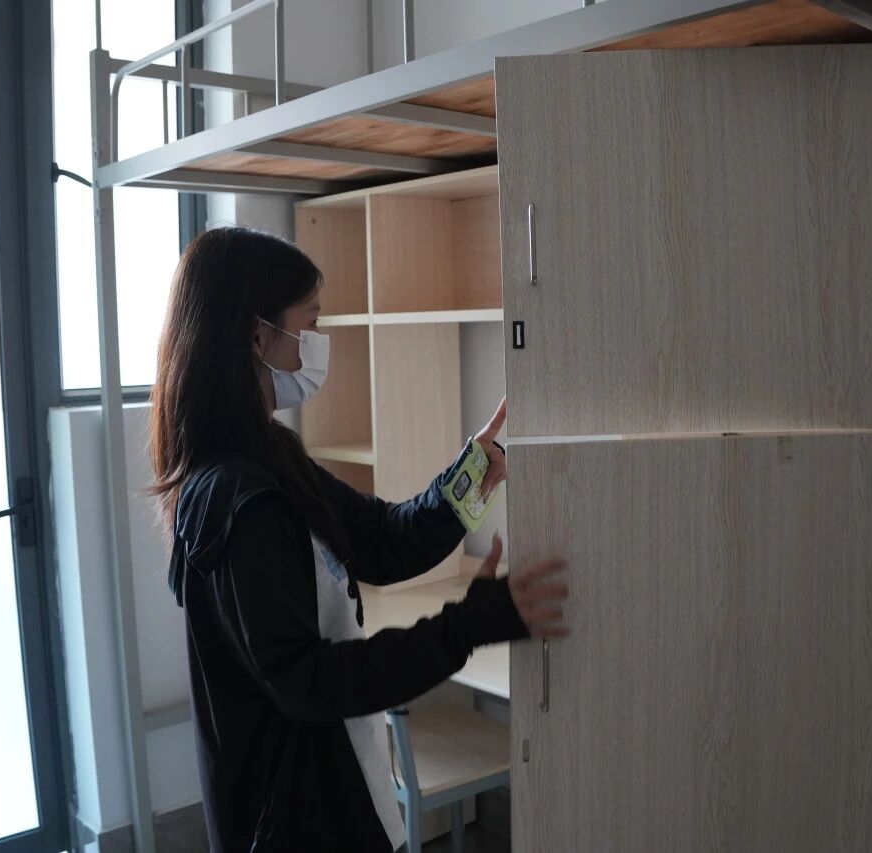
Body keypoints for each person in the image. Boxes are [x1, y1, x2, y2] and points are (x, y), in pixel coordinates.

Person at [147, 226, 569, 853]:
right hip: (299, 825)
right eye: (309, 324)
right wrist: (466, 626)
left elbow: (379, 539)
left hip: (342, 792)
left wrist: (472, 475)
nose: (318, 343)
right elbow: (311, 681)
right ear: (258, 336)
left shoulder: (269, 456)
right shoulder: (240, 501)